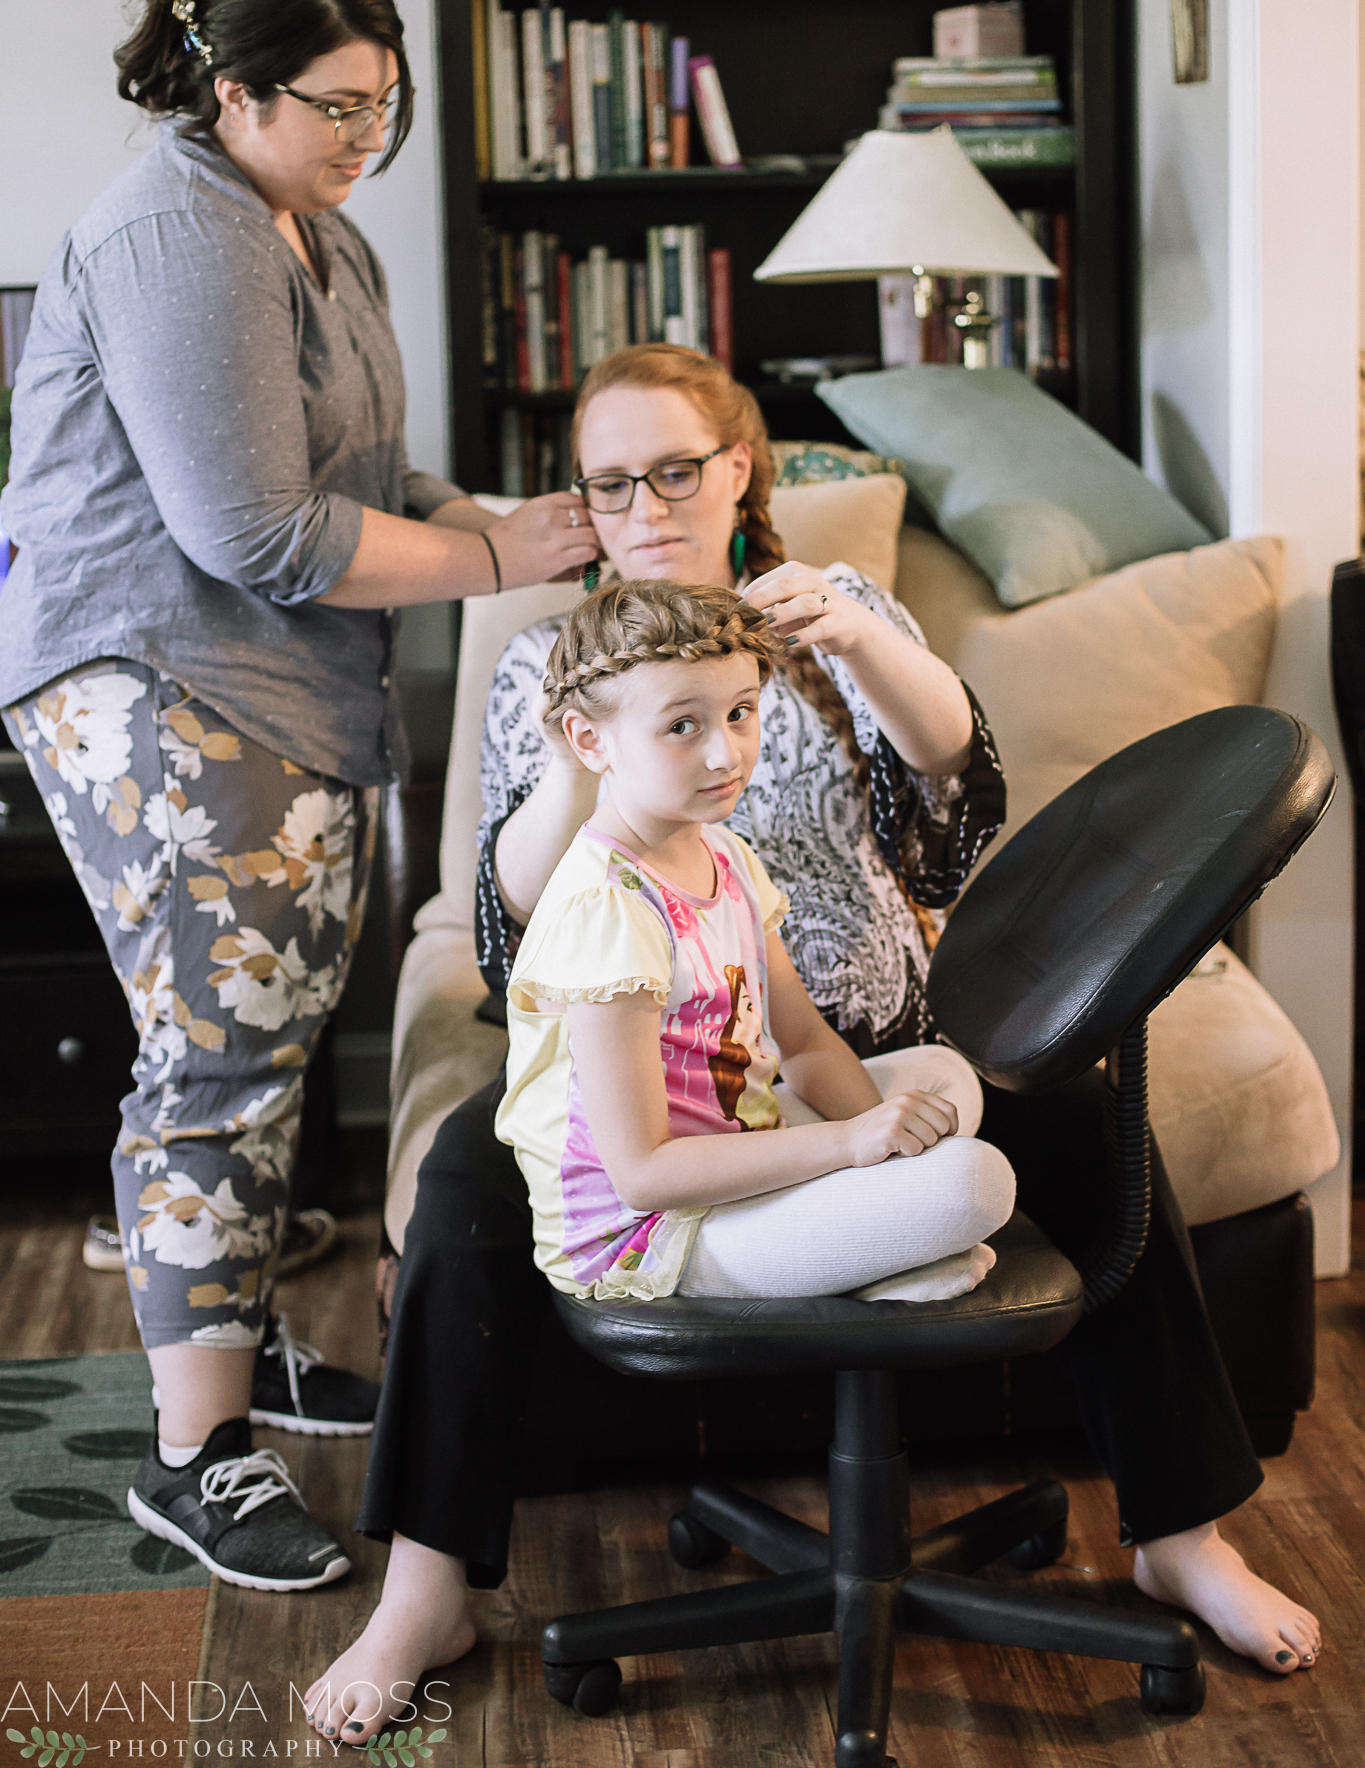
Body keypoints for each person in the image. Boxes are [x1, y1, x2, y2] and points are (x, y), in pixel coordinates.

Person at [306, 345, 1318, 1742]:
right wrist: (567, 759)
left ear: (740, 469)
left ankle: (1180, 1533)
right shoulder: (554, 658)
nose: (644, 504)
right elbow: (511, 928)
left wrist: (863, 640)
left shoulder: (830, 616)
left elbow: (958, 819)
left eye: (674, 469)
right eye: (609, 482)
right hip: (650, 1063)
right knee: (472, 1195)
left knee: (1093, 1134)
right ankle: (426, 1582)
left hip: (863, 1033)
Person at [0, 0, 597, 1595]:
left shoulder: (313, 232)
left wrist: (510, 519)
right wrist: (494, 565)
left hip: (267, 674)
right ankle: (192, 1457)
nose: (363, 140)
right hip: (158, 672)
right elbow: (261, 531)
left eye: (385, 109)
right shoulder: (175, 234)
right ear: (232, 89)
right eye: (336, 107)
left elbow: (376, 476)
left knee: (266, 1025)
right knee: (217, 1047)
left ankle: (234, 1340)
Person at [500, 578, 1016, 1310]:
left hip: (737, 1135)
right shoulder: (606, 908)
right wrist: (852, 1147)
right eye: (682, 726)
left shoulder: (725, 856)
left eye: (740, 713)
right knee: (975, 1181)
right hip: (656, 1227)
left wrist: (878, 1139)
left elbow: (801, 1042)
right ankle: (877, 1248)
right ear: (590, 740)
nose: (726, 754)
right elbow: (643, 1171)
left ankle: (871, 1246)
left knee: (940, 1076)